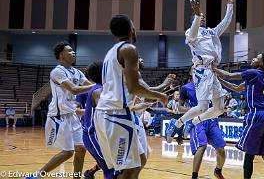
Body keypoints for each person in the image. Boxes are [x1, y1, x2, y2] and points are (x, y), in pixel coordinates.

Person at [94, 14, 168, 179]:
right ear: (131, 29)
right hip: (116, 114)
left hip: (108, 113)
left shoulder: (112, 51)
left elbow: (135, 84)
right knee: (129, 170)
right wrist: (159, 96)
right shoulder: (129, 49)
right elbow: (134, 88)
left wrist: (157, 93)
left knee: (140, 159)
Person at [166, 0, 234, 143]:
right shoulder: (190, 32)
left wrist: (230, 4)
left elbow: (225, 22)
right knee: (203, 106)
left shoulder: (211, 32)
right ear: (194, 20)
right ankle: (177, 123)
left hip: (212, 70)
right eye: (199, 16)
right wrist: (197, 15)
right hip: (201, 70)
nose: (202, 17)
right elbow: (192, 35)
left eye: (203, 16)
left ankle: (194, 121)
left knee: (220, 108)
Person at [27, 41, 94, 179]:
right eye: (69, 51)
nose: (73, 52)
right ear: (61, 55)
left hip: (72, 115)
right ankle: (38, 175)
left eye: (73, 51)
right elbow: (74, 89)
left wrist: (104, 87)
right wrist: (97, 86)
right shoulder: (57, 71)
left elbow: (91, 85)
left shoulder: (77, 72)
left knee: (81, 149)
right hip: (59, 116)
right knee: (68, 152)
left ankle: (76, 177)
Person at [214, 53, 264, 179]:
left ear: (262, 64)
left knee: (249, 153)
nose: (253, 59)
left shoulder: (253, 72)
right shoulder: (260, 76)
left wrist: (212, 68)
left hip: (256, 114)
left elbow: (230, 75)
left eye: (256, 58)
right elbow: (237, 88)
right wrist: (220, 80)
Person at [178, 75, 226, 179]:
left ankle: (218, 171)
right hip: (197, 120)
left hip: (212, 118)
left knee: (221, 149)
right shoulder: (186, 88)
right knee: (202, 146)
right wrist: (194, 110)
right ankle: (194, 176)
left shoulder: (210, 84)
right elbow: (180, 108)